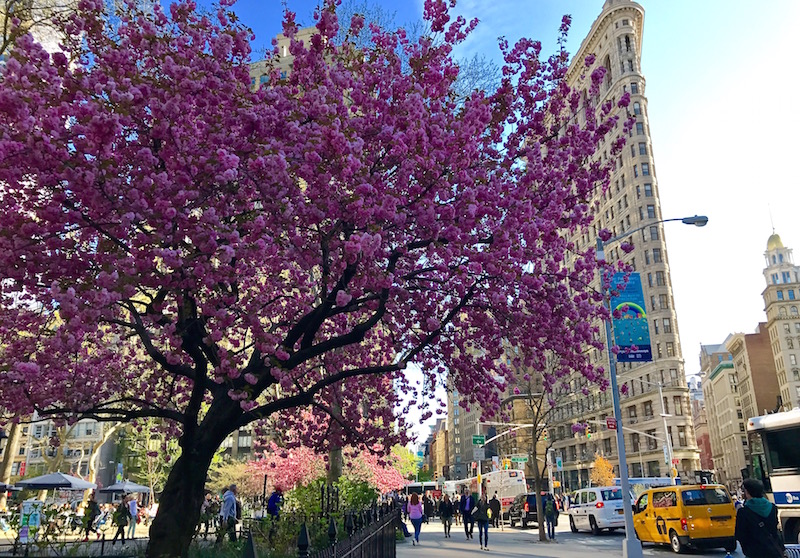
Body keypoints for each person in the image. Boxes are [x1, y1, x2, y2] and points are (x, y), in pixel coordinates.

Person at [735, 478, 786, 558]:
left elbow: (740, 535)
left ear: (747, 492)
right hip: (774, 552)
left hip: (755, 553)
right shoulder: (772, 508)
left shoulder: (743, 512)